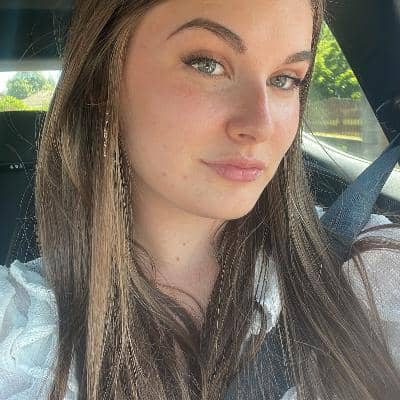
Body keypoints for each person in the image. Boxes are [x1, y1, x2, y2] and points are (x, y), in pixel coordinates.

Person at [0, 0, 399, 399]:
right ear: (101, 83)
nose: (261, 125)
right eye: (207, 64)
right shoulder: (17, 335)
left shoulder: (369, 271)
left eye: (284, 79)